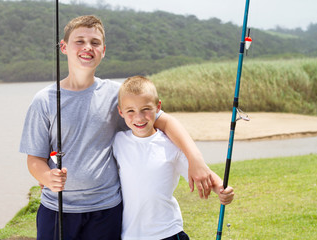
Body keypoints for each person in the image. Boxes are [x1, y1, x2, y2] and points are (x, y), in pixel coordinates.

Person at [19, 15, 213, 239]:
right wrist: (46, 177)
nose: (87, 47)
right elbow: (34, 159)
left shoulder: (117, 95)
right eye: (79, 41)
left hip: (107, 210)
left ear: (104, 50)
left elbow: (166, 121)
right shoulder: (43, 100)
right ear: (63, 47)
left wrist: (196, 160)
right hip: (57, 210)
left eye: (95, 42)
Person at [113, 76, 234, 240]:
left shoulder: (171, 146)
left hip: (169, 232)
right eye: (130, 111)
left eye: (145, 109)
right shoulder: (118, 141)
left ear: (158, 107)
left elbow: (202, 173)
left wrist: (221, 187)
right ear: (121, 112)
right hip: (131, 235)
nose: (139, 117)